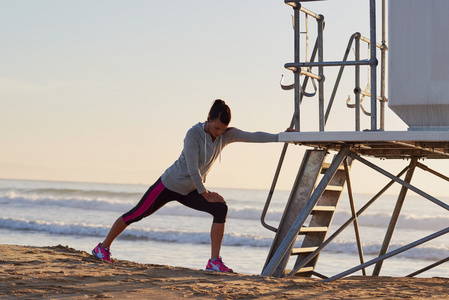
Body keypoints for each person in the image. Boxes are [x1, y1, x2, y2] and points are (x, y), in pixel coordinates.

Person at [92, 99, 290, 272]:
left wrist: (281, 136)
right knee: (137, 214)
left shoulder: (225, 135)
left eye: (222, 129)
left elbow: (253, 136)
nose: (219, 132)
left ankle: (214, 261)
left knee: (220, 209)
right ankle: (103, 247)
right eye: (216, 128)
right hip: (170, 184)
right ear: (209, 119)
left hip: (190, 190)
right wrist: (205, 193)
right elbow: (192, 168)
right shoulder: (193, 134)